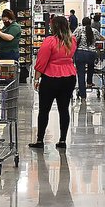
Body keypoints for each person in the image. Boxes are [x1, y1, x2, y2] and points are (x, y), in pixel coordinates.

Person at [30, 14, 77, 150]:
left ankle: (40, 140)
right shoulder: (72, 40)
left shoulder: (49, 41)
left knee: (44, 109)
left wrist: (36, 78)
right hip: (69, 76)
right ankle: (62, 140)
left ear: (53, 26)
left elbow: (41, 62)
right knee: (64, 109)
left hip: (51, 77)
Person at [73, 16, 100, 98]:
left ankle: (83, 94)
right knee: (91, 66)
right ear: (90, 23)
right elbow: (100, 39)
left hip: (80, 53)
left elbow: (73, 38)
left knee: (80, 74)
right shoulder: (94, 31)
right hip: (92, 54)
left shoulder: (79, 29)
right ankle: (89, 82)